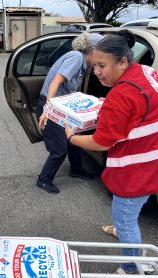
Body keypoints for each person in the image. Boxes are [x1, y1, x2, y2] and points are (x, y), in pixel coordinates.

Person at [65, 30, 158, 278]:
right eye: (93, 65)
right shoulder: (147, 72)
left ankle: (130, 268)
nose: (96, 72)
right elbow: (139, 109)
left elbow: (101, 141)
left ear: (122, 62)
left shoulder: (122, 95)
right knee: (131, 210)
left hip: (140, 168)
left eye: (102, 65)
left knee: (125, 216)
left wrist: (72, 138)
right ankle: (122, 230)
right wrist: (108, 104)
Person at [36, 32, 103, 194]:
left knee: (75, 138)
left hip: (64, 106)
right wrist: (48, 109)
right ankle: (43, 179)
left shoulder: (84, 63)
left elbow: (72, 88)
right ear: (91, 50)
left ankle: (76, 169)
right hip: (53, 106)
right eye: (101, 51)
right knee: (59, 149)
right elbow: (56, 81)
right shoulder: (76, 57)